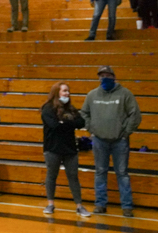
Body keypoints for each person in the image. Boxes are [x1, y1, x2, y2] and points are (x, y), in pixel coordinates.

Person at [81, 65, 141, 216]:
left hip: (120, 141)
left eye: (107, 75)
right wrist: (92, 129)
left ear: (114, 77)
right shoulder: (92, 95)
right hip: (99, 140)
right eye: (102, 75)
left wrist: (126, 132)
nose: (104, 78)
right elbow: (84, 113)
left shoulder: (125, 93)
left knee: (122, 173)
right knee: (100, 172)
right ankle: (100, 204)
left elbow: (135, 115)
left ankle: (127, 206)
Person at [40, 83, 91, 217]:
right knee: (52, 175)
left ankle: (79, 206)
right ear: (57, 92)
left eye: (68, 91)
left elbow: (81, 123)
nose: (67, 93)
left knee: (73, 176)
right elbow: (54, 125)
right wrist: (69, 124)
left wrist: (64, 123)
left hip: (70, 148)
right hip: (52, 148)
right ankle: (50, 204)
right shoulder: (48, 108)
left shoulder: (71, 109)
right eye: (64, 91)